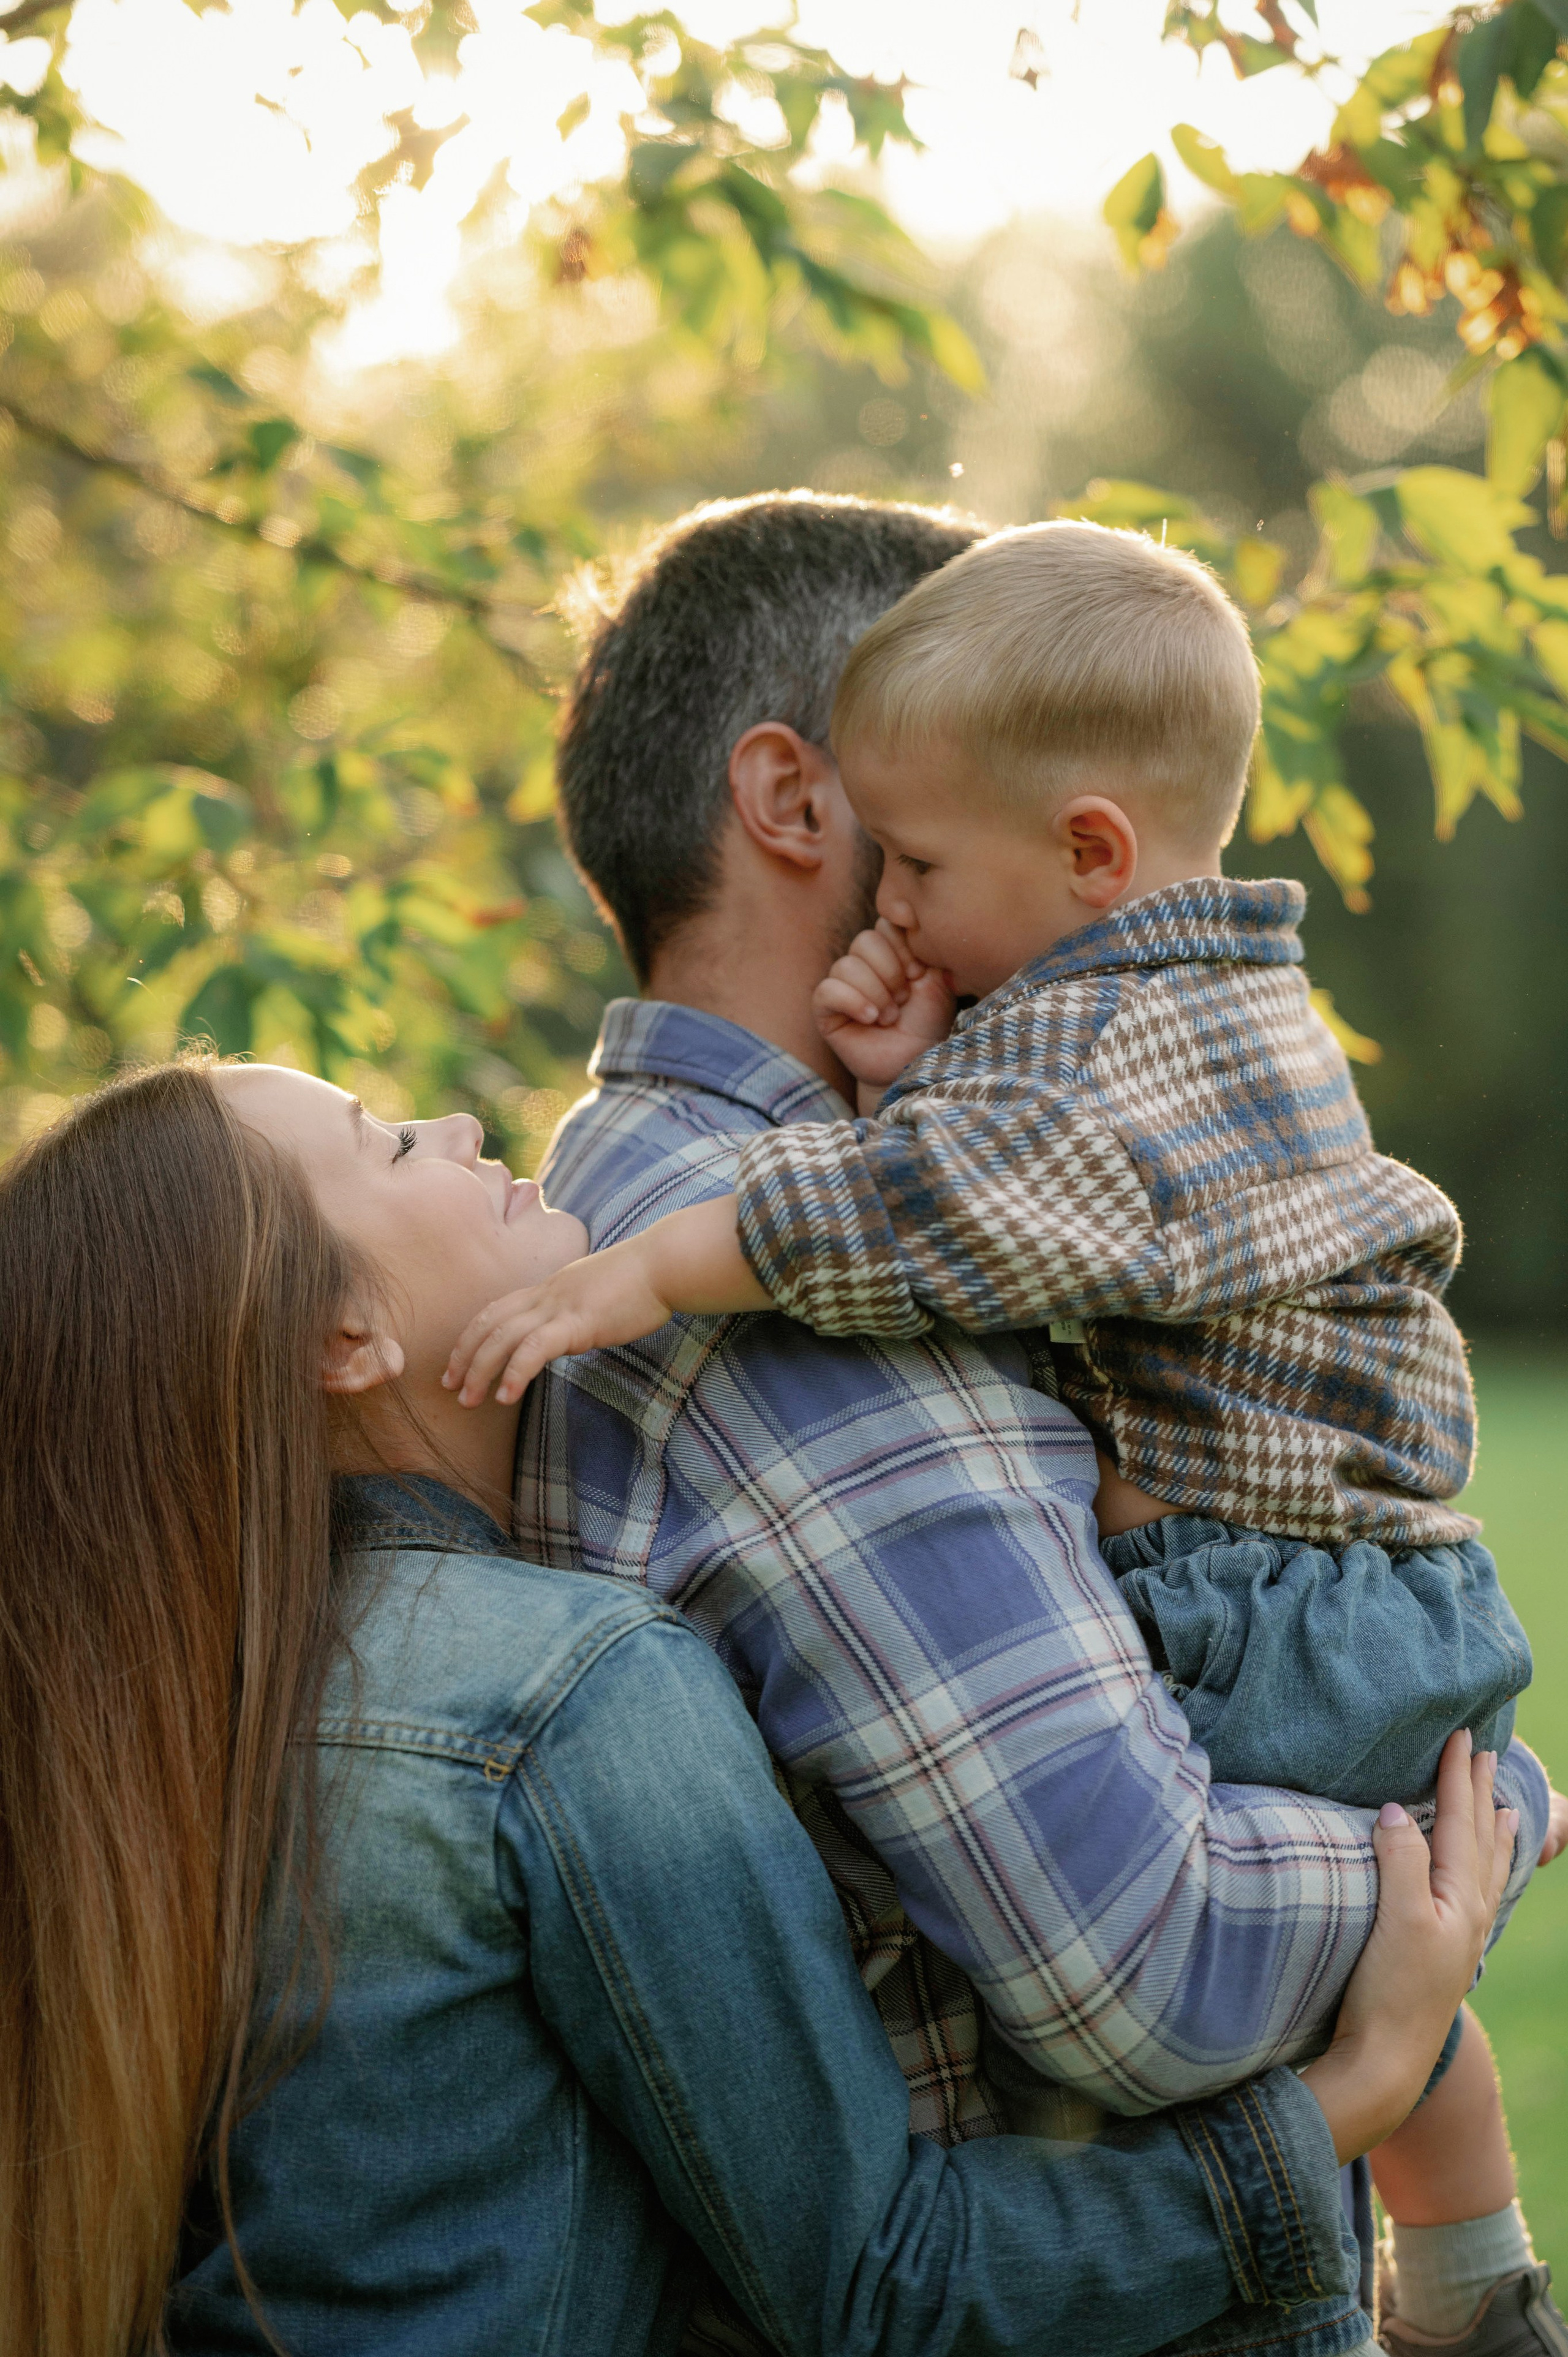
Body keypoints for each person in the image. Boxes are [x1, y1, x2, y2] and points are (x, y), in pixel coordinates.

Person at [448, 517, 1568, 2357]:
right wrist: (1494, 1829)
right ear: (799, 804)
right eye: (920, 840)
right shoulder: (769, 1294)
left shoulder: (807, 1198)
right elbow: (1153, 1961)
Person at [0, 1058, 1510, 2357]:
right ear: (346, 1340)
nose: (459, 1126)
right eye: (391, 1146)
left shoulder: (173, 1708)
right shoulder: (563, 1692)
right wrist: (1347, 2096)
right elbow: (877, 2283)